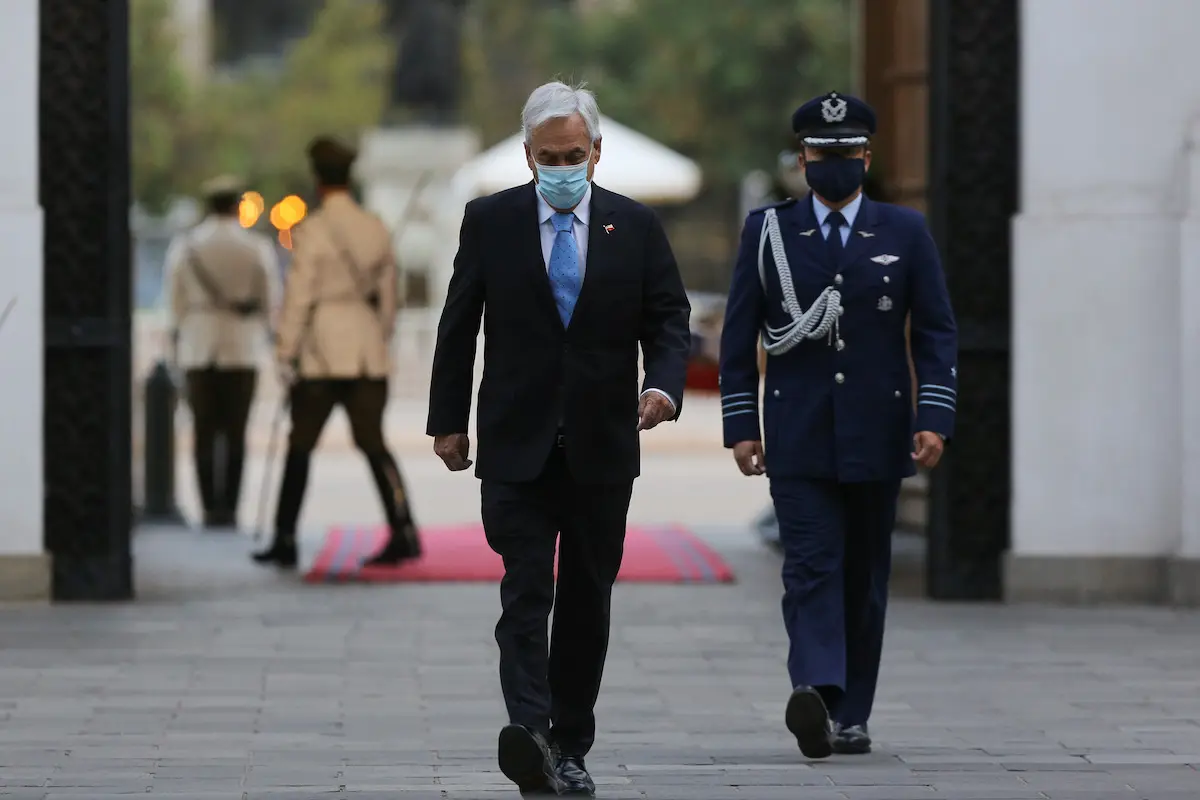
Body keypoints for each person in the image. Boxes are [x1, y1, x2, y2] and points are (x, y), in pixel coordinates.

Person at [427, 81, 691, 796]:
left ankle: (571, 743)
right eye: (550, 156)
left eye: (575, 154)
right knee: (524, 592)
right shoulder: (491, 221)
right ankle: (531, 734)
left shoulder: (635, 228)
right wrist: (446, 419)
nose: (563, 166)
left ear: (597, 153)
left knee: (585, 598)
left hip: (603, 447)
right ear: (528, 156)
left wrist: (664, 387)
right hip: (516, 444)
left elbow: (669, 321)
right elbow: (458, 324)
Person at [719, 92, 958, 759]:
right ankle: (817, 693)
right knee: (810, 565)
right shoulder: (769, 233)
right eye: (822, 155)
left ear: (867, 158)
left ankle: (852, 711)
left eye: (847, 155)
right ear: (802, 160)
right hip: (796, 435)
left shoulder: (904, 232)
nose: (834, 165)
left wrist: (934, 415)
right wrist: (742, 425)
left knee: (863, 576)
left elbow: (937, 331)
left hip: (877, 433)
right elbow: (739, 338)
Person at [252, 136, 421, 570]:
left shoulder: (312, 230)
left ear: (317, 179)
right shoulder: (376, 226)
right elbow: (389, 301)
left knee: (300, 446)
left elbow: (299, 296)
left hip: (322, 354)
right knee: (375, 446)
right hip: (366, 350)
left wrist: (285, 350)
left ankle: (285, 537)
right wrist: (376, 336)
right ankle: (404, 530)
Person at [166, 175, 278, 529]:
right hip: (242, 349)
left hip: (199, 347)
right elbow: (269, 301)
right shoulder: (255, 247)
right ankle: (229, 507)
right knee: (236, 432)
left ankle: (208, 507)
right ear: (236, 206)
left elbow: (175, 303)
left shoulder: (185, 248)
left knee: (202, 431)